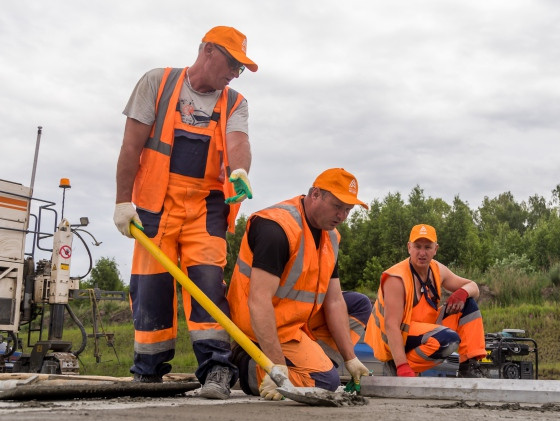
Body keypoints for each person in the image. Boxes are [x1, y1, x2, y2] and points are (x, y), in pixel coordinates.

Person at [113, 26, 258, 399]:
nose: (235, 73)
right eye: (232, 63)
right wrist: (121, 201)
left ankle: (217, 372)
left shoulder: (234, 102)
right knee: (150, 288)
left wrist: (239, 171)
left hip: (206, 208)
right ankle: (147, 372)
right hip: (154, 204)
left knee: (208, 287)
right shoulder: (157, 84)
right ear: (208, 51)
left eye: (241, 68)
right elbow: (131, 147)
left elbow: (238, 141)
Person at [227, 168, 371, 400]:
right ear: (315, 194)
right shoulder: (277, 228)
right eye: (337, 206)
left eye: (348, 210)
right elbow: (258, 301)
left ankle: (303, 363)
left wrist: (350, 358)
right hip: (258, 322)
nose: (342, 216)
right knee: (326, 382)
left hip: (295, 320)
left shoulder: (331, 237)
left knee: (358, 305)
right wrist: (276, 366)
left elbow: (334, 300)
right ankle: (246, 365)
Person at [364, 224, 487, 378]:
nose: (422, 253)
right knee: (447, 340)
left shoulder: (437, 269)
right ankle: (399, 367)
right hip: (398, 338)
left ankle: (468, 367)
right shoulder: (396, 278)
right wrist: (402, 366)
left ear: (435, 249)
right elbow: (391, 325)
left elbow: (474, 287)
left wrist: (462, 292)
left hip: (425, 330)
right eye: (417, 246)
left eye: (428, 247)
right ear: (409, 247)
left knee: (469, 305)